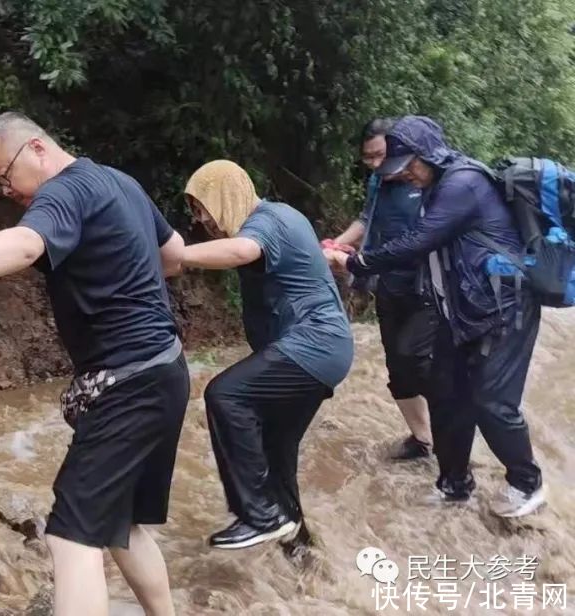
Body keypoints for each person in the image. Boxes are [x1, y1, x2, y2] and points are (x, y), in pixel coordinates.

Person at [0, 112, 189, 616]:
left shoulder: (63, 192)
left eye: (5, 176)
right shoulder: (119, 181)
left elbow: (26, 244)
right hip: (165, 370)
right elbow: (175, 255)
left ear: (36, 150)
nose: (6, 191)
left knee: (72, 538)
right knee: (121, 523)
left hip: (128, 383)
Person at [326, 115, 547, 517]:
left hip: (506, 308)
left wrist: (357, 263)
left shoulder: (464, 184)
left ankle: (526, 484)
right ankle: (454, 485)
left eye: (409, 166)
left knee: (492, 401)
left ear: (430, 154)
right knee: (446, 395)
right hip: (462, 308)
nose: (404, 175)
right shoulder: (436, 184)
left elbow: (419, 240)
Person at [181, 160, 353, 550]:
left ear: (225, 196)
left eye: (201, 206)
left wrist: (180, 256)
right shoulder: (276, 219)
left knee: (225, 395)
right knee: (276, 448)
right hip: (323, 352)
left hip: (314, 345)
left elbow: (243, 249)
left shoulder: (268, 219)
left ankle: (258, 516)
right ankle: (298, 545)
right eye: (193, 210)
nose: (200, 219)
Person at [325, 118, 437, 461]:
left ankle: (454, 433)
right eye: (368, 158)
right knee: (397, 367)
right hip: (387, 282)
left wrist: (358, 261)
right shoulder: (378, 181)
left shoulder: (431, 182)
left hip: (428, 287)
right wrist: (332, 245)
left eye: (381, 156)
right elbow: (366, 219)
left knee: (417, 360)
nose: (375, 165)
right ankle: (423, 440)